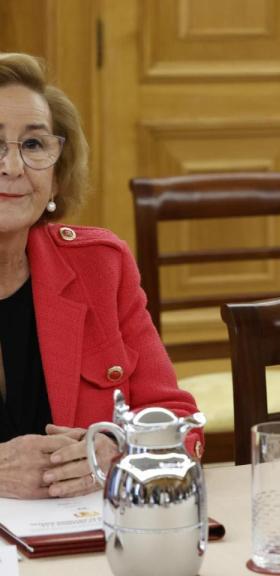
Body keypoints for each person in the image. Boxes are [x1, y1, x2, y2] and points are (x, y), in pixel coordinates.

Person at [0, 52, 201, 499]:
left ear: (56, 178)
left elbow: (175, 417)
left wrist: (117, 450)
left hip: (83, 537)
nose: (13, 167)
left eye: (33, 145)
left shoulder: (99, 266)